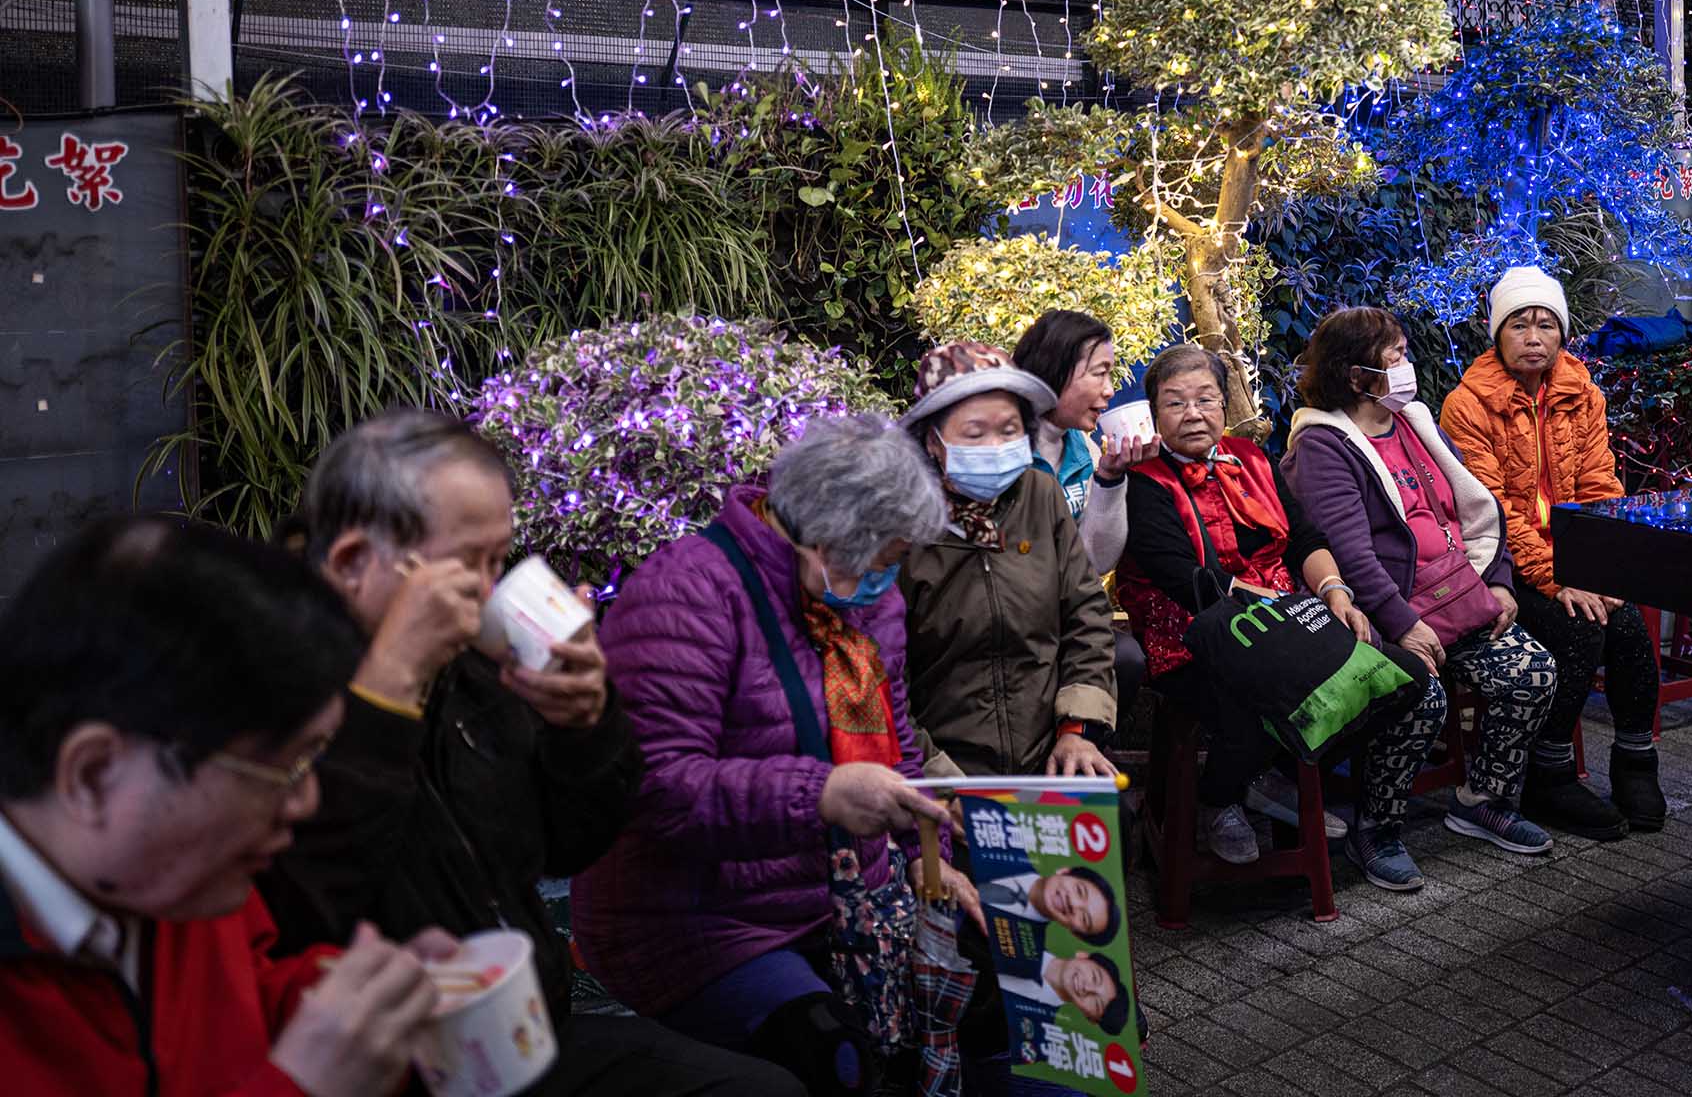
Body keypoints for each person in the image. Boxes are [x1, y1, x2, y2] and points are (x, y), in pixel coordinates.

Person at [261, 410, 800, 1097]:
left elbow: (568, 848)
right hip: (382, 1067)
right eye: (466, 565)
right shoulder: (269, 695)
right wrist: (388, 687)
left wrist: (587, 724)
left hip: (523, 1032)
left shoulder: (472, 677)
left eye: (499, 560)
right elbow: (305, 897)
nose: (490, 591)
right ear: (351, 563)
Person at [572, 417, 1026, 1097]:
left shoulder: (866, 603)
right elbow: (655, 787)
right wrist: (819, 794)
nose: (888, 579)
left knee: (999, 1003)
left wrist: (921, 863)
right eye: (881, 561)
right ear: (822, 540)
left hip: (845, 895)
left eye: (896, 561)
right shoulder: (686, 594)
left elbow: (894, 750)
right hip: (700, 918)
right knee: (832, 1057)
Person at [0, 515, 458, 1097]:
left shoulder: (189, 883)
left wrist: (373, 1006)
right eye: (283, 768)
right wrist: (301, 1086)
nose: (306, 799)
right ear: (93, 775)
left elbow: (246, 1004)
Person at [1117, 345, 1451, 890]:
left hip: (1289, 624)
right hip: (1193, 636)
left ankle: (1264, 775)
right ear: (1155, 414)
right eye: (1175, 403)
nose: (1193, 413)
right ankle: (1220, 796)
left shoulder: (1252, 459)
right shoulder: (1143, 482)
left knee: (1403, 681)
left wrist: (1335, 591)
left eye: (1205, 399)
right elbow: (1181, 577)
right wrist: (1265, 603)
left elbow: (1303, 538)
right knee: (1262, 702)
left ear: (1225, 406)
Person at [1280, 312, 1560, 861]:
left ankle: (1481, 799)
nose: (1407, 367)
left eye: (1405, 352)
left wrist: (1499, 580)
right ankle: (1376, 827)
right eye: (1395, 357)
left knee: (1534, 671)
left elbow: (1473, 505)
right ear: (1355, 375)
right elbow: (1352, 554)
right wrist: (1403, 625)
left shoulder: (1412, 420)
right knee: (1420, 696)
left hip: (1456, 593)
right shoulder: (1322, 447)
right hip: (1380, 612)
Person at [1438, 269, 1668, 841]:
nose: (1534, 337)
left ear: (1562, 335)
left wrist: (1604, 569)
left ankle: (1635, 761)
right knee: (1577, 628)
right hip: (1500, 565)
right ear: (1498, 334)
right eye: (1520, 324)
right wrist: (1558, 578)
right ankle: (1549, 775)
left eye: (1546, 325)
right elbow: (1490, 510)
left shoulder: (1582, 392)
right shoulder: (1466, 406)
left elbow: (1599, 486)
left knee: (1629, 627)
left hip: (1575, 561)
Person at [900, 340, 1120, 780]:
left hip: (1047, 755)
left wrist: (1075, 729)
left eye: (1010, 430)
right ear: (933, 441)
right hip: (940, 768)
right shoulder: (901, 528)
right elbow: (880, 677)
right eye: (975, 433)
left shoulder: (1040, 497)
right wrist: (931, 775)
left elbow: (1086, 612)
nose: (997, 446)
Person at [1012, 310, 1157, 726]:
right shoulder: (1002, 448)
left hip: (1064, 619)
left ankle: (1077, 763)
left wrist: (1111, 477)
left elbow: (1096, 562)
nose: (1110, 391)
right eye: (1099, 373)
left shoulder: (1083, 449)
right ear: (1053, 368)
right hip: (1011, 618)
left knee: (1125, 659)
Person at [994, 949, 1130, 1032]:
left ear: (1091, 1019)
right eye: (1094, 977)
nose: (1086, 988)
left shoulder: (1037, 1028)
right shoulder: (1026, 928)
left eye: (1096, 1003)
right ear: (1083, 955)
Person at [978, 867, 1118, 944]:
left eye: (1084, 918)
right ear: (1064, 871)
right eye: (1079, 891)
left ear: (1075, 933)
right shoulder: (1006, 845)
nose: (1073, 903)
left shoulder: (1024, 960)